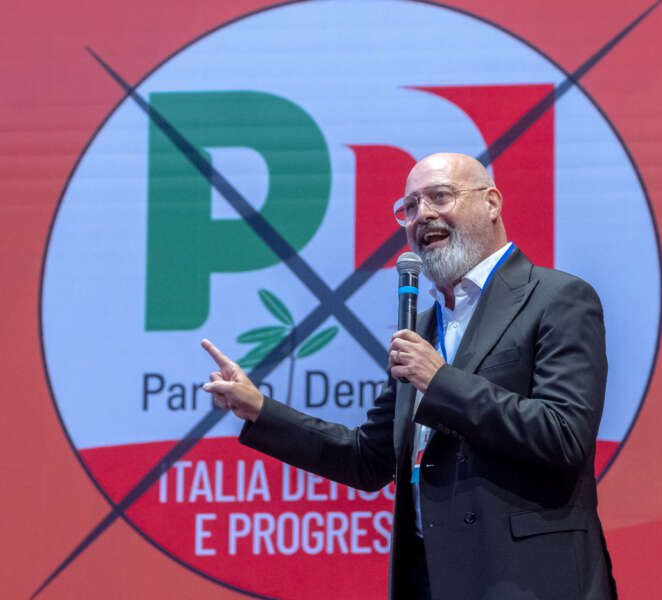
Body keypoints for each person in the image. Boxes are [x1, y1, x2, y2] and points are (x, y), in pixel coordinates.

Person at [202, 152, 616, 599]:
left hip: (530, 581)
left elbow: (564, 436)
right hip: (433, 580)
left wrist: (441, 382)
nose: (424, 215)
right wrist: (261, 411)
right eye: (411, 207)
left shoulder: (556, 298)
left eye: (440, 196)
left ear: (492, 203)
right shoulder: (423, 326)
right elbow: (369, 458)